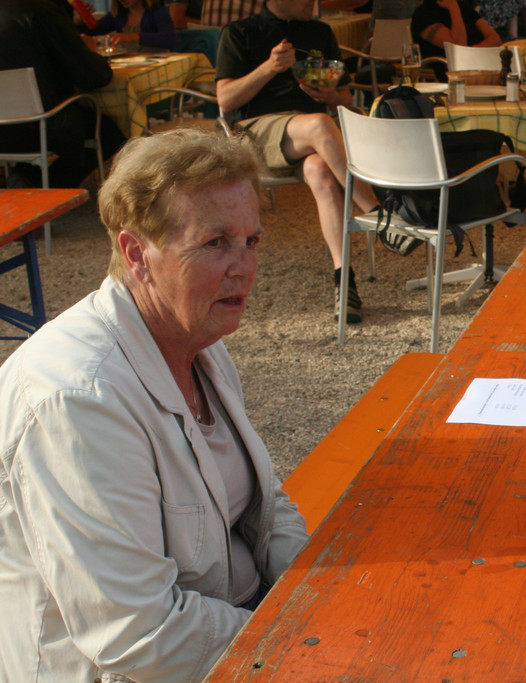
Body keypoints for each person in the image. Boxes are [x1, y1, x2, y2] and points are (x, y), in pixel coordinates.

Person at [0, 129, 309, 681]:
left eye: (252, 241)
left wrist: (316, 587)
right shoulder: (78, 399)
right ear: (137, 254)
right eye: (215, 243)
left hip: (238, 627)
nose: (245, 266)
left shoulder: (197, 340)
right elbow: (137, 634)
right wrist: (301, 636)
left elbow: (265, 504)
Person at [217, 0, 379, 324]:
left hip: (312, 139)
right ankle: (378, 213)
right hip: (258, 132)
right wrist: (269, 67)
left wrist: (329, 95)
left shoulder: (321, 32)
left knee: (321, 170)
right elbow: (226, 99)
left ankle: (344, 280)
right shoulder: (240, 32)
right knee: (319, 124)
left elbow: (345, 97)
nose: (314, 2)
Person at [0, 0, 126, 189]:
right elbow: (94, 77)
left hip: (5, 129)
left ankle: (26, 176)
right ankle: (35, 180)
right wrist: (92, 53)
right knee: (111, 131)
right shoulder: (43, 11)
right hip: (45, 124)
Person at [412, 0, 501, 79]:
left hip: (482, 67)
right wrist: (453, 8)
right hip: (452, 76)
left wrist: (471, 52)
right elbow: (458, 46)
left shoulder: (463, 7)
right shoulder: (423, 14)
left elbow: (495, 39)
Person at [80, 0, 177, 51]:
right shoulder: (118, 14)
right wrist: (79, 21)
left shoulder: (157, 11)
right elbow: (92, 31)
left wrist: (131, 37)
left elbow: (170, 40)